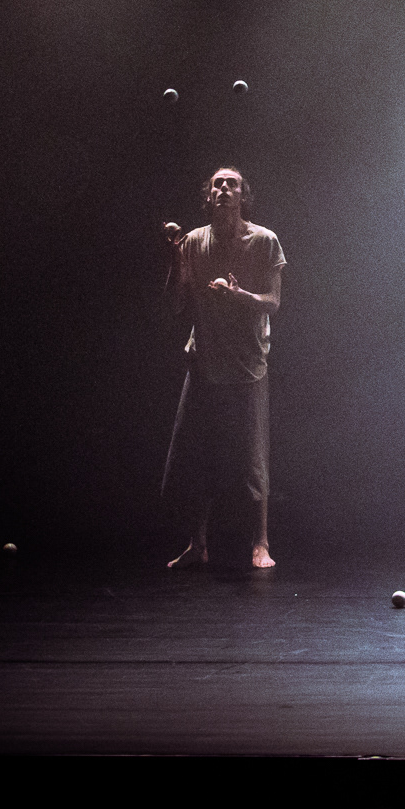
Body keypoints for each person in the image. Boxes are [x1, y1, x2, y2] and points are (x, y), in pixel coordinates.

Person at [160, 166, 286, 569]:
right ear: (209, 196)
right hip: (203, 363)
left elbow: (273, 303)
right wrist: (176, 258)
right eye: (218, 184)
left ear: (243, 195)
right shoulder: (193, 242)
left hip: (248, 365)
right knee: (197, 455)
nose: (225, 189)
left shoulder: (264, 240)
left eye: (232, 184)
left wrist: (238, 295)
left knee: (252, 460)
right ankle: (197, 545)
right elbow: (176, 305)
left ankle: (261, 543)